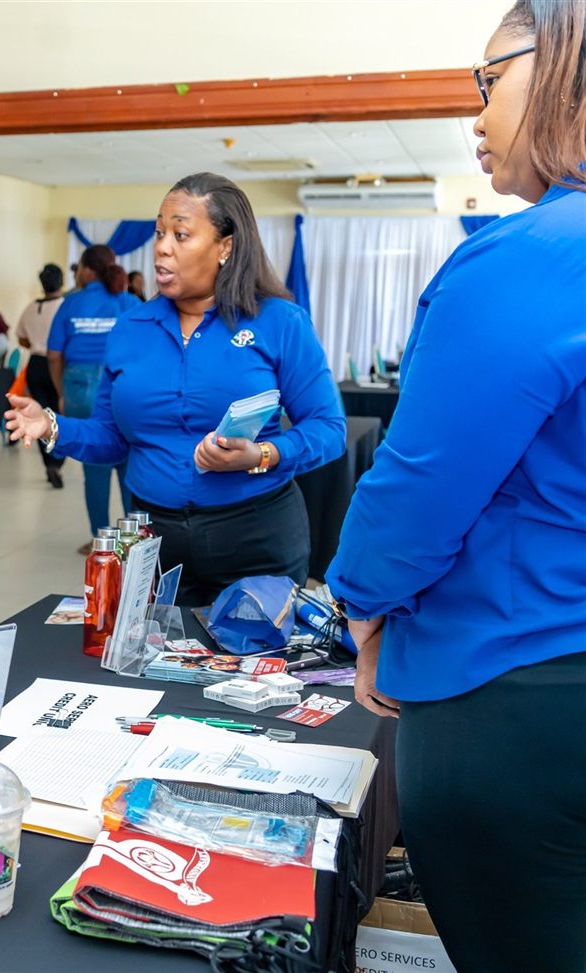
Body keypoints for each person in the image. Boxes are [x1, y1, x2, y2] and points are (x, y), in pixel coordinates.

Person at [325, 4, 586, 970]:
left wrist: (362, 610)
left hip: (521, 689)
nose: (476, 114)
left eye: (490, 79)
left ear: (563, 62)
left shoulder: (530, 257)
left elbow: (417, 490)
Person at [6, 172, 344, 605]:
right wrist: (51, 426)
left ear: (225, 246)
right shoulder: (130, 327)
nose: (162, 247)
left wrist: (263, 454)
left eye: (181, 235)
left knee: (248, 651)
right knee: (150, 652)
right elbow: (112, 438)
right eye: (159, 233)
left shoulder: (280, 322)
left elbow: (328, 427)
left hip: (256, 540)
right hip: (154, 542)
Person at [45, 244, 142, 546]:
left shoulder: (71, 302)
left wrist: (61, 393)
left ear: (87, 270)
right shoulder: (129, 302)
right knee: (130, 465)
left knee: (95, 464)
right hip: (124, 385)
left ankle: (101, 541)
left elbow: (53, 354)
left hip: (80, 387)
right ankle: (136, 539)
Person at [14, 263, 67, 488]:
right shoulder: (65, 306)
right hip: (58, 363)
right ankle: (57, 462)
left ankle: (48, 462)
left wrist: (36, 343)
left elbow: (21, 338)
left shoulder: (31, 308)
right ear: (61, 282)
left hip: (35, 364)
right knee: (60, 414)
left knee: (41, 416)